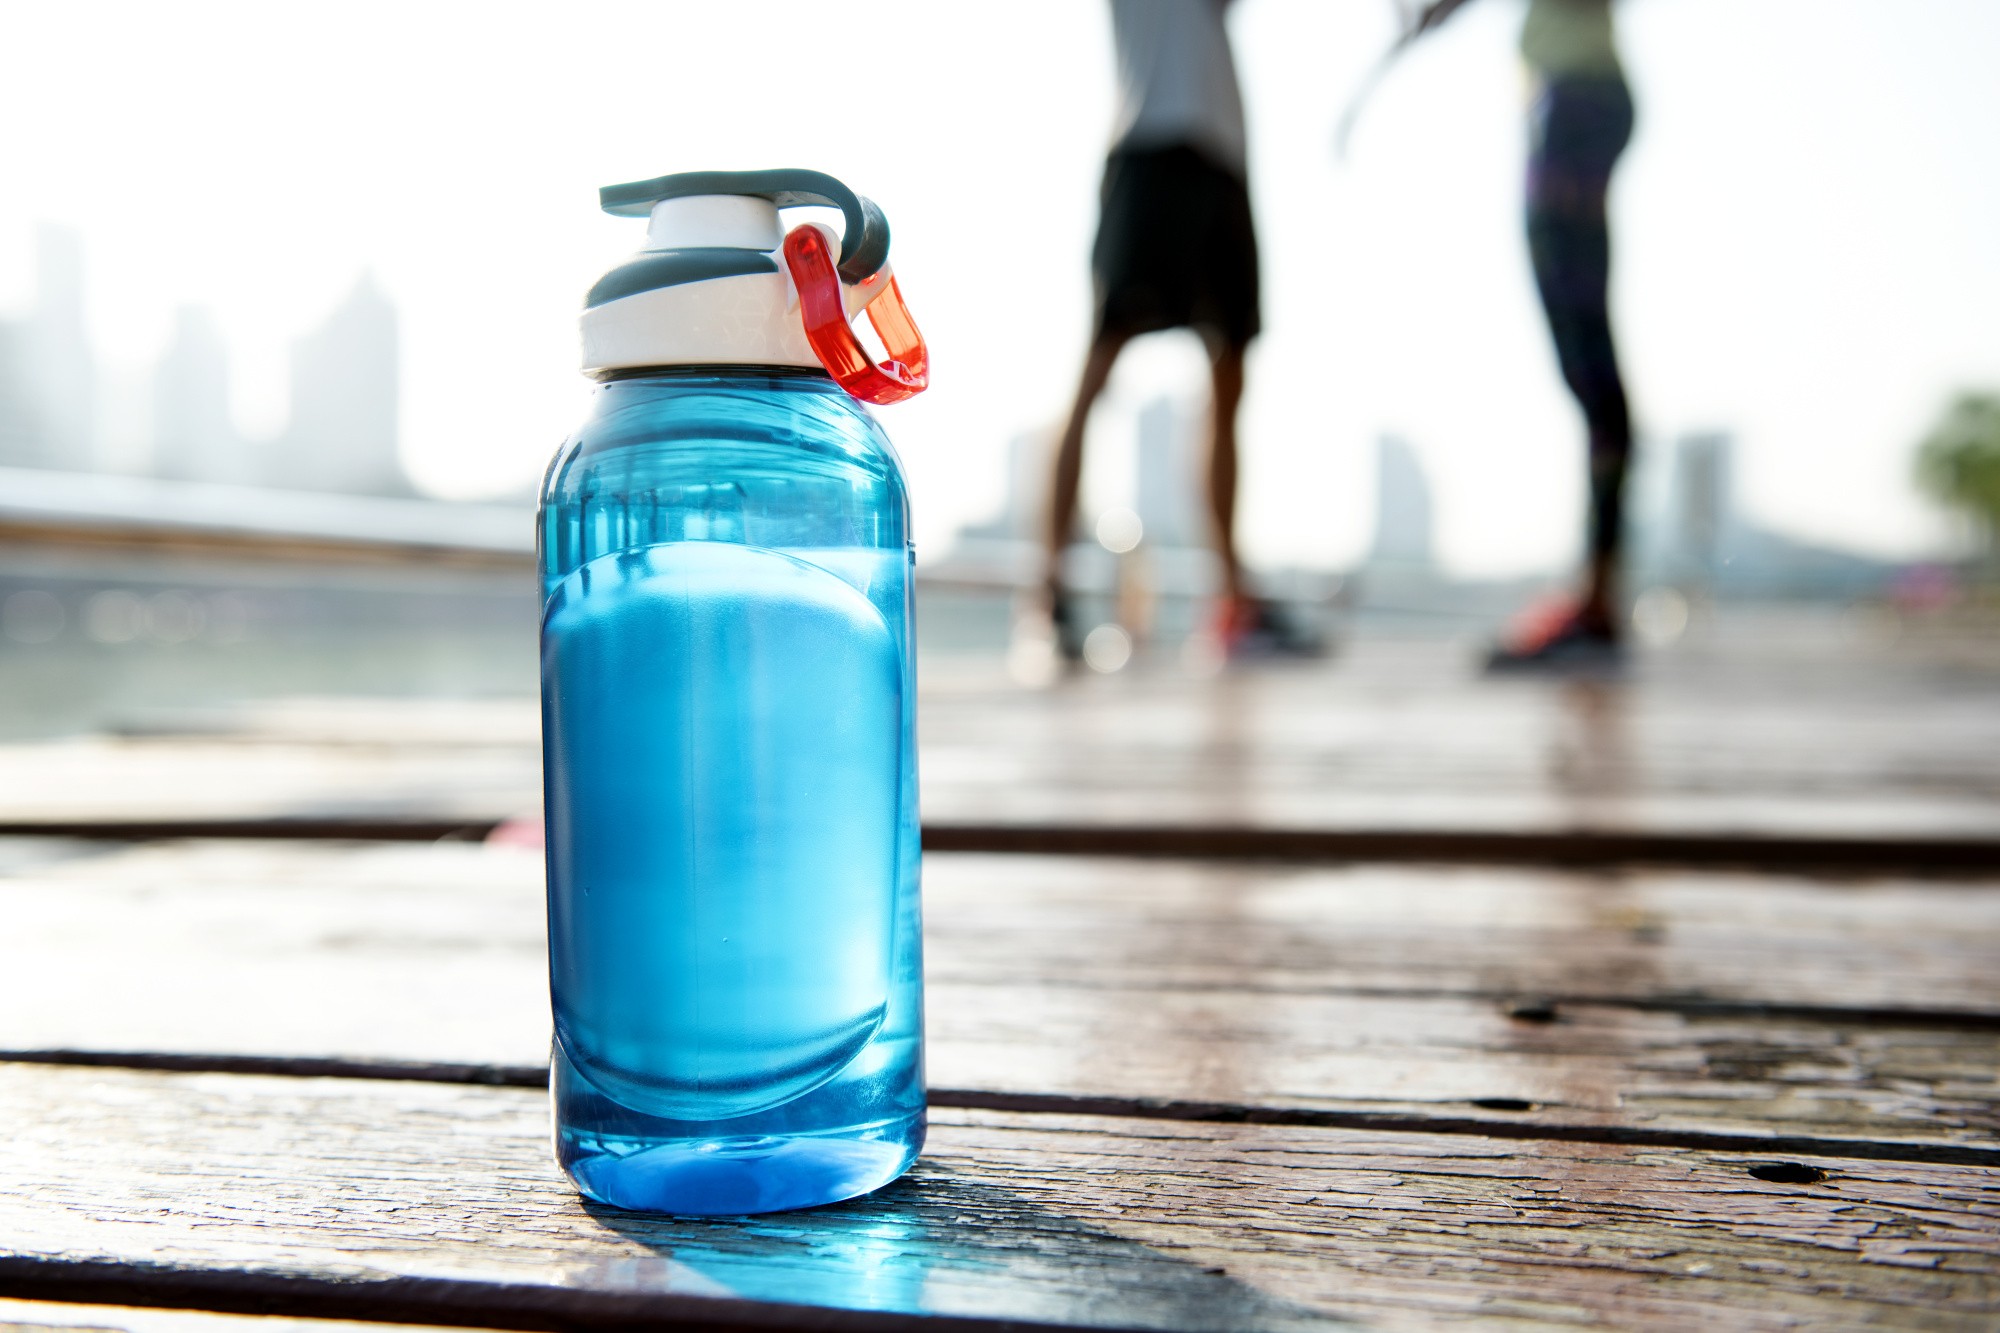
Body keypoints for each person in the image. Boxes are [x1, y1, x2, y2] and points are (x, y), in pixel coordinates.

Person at [1034, 0, 1315, 664]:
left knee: (1231, 374)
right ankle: (1048, 596)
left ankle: (1232, 606)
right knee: (1099, 365)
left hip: (1223, 155)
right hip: (1150, 146)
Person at [1405, 0, 1636, 669]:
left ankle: (1593, 603)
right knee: (1590, 362)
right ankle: (1596, 594)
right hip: (1582, 99)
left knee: (1590, 364)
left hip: (1572, 101)